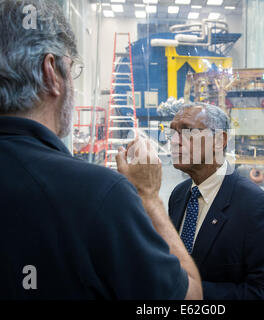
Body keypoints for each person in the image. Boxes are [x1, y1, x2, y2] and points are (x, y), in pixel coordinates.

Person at [0, 0, 202, 300]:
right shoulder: (100, 195)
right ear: (51, 74)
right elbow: (190, 298)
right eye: (72, 69)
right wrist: (148, 197)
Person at [167, 102, 264, 299]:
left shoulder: (259, 209)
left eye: (188, 131)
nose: (175, 141)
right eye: (173, 132)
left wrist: (191, 293)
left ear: (219, 140)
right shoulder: (180, 195)